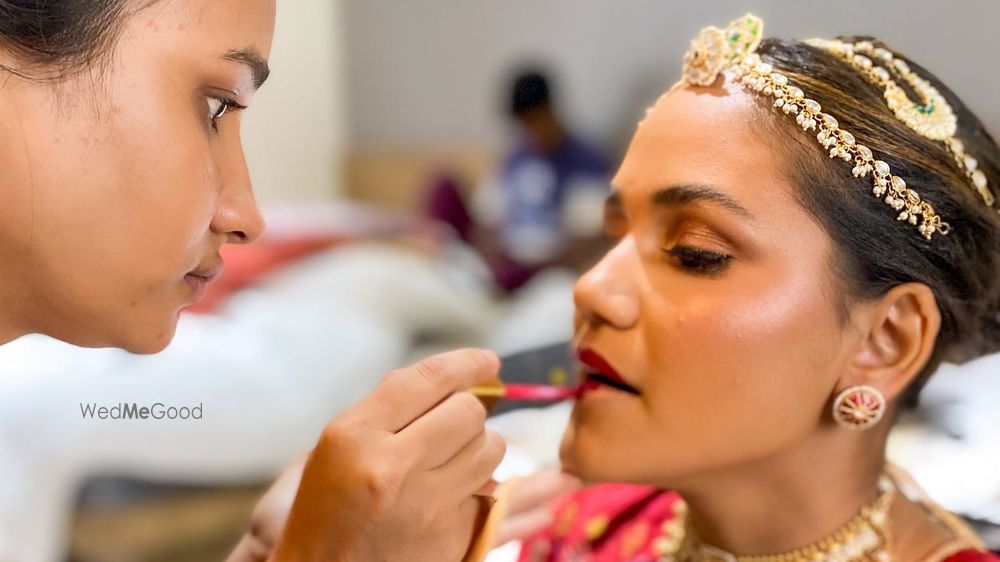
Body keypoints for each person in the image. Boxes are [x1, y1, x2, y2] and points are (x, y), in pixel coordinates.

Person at [0, 1, 504, 560]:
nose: (247, 217)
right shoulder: (366, 245)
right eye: (215, 107)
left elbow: (484, 306)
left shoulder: (414, 273)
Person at [511, 14, 1000, 562]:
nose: (592, 288)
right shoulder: (574, 533)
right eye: (615, 235)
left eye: (695, 253)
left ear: (885, 340)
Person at [428, 70, 612, 292]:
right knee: (444, 186)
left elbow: (585, 240)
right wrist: (492, 253)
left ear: (549, 111)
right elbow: (486, 220)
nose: (529, 131)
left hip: (546, 267)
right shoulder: (514, 157)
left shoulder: (585, 163)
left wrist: (532, 269)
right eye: (523, 124)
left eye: (533, 121)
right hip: (504, 258)